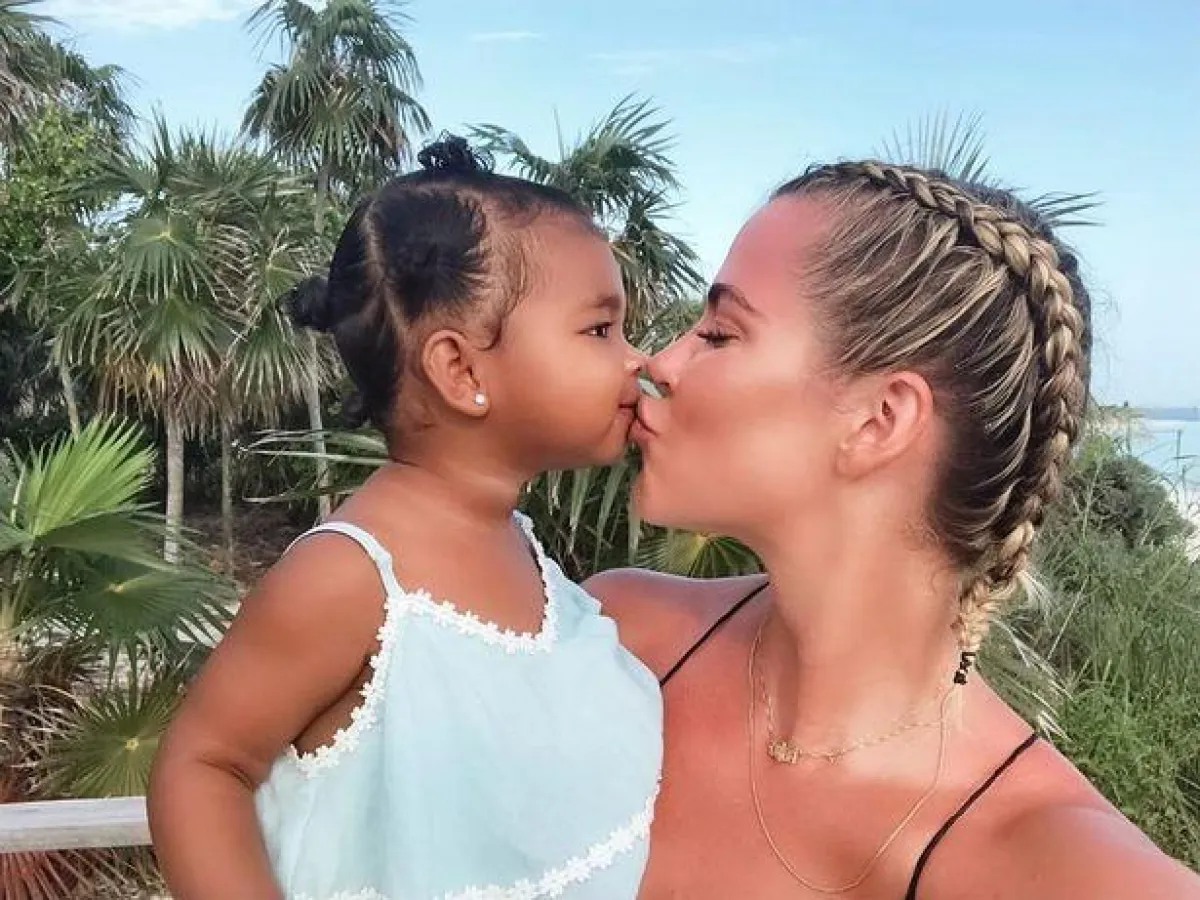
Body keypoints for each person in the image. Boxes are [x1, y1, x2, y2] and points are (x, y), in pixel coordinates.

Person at [590, 161, 1200, 898]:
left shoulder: (1070, 871)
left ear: (881, 420)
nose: (660, 362)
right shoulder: (616, 637)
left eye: (719, 333)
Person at [149, 136, 661, 900]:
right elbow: (202, 764)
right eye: (599, 330)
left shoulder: (522, 550)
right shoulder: (350, 578)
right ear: (460, 369)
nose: (637, 359)